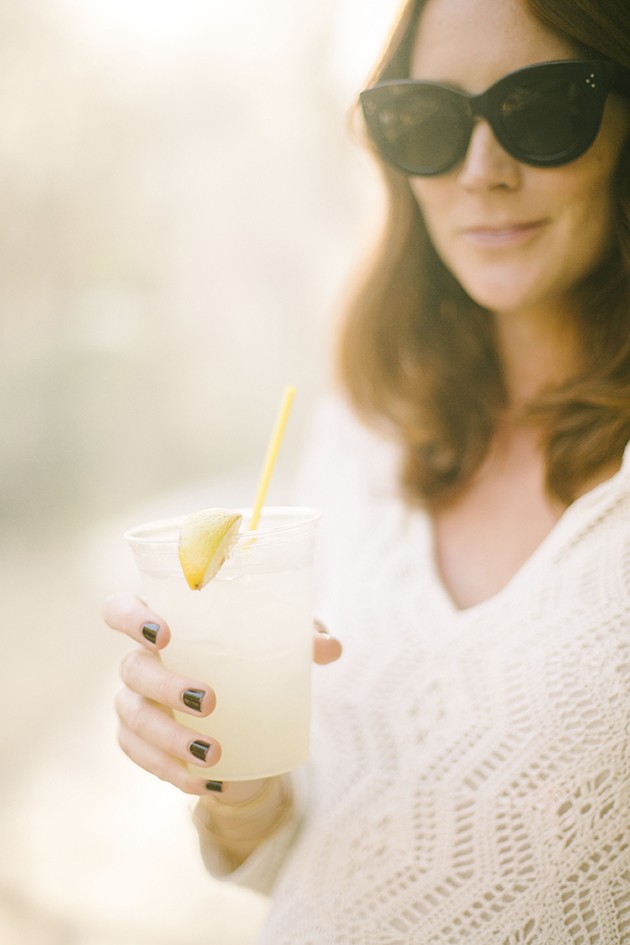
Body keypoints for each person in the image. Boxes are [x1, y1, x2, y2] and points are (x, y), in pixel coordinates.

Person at [104, 0, 630, 939]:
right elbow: (296, 851)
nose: (481, 172)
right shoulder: (366, 427)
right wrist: (236, 778)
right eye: (426, 120)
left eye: (545, 108)